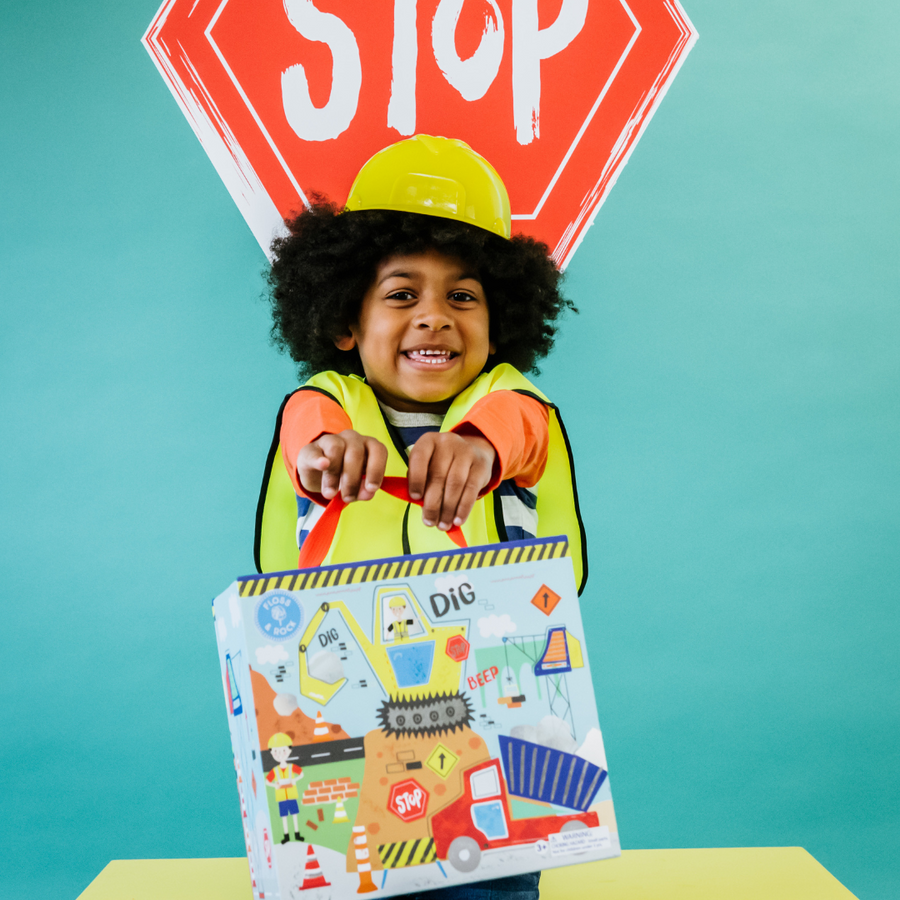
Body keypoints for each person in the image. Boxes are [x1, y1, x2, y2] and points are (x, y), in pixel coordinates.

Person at [258, 135, 588, 900]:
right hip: (340, 722)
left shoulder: (512, 401)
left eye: (462, 298)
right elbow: (307, 429)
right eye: (402, 295)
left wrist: (477, 447)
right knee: (340, 877)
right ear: (346, 321)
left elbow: (520, 426)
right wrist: (326, 455)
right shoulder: (327, 403)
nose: (434, 318)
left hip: (491, 730)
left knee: (491, 887)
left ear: (499, 322)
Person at [264, 733, 304, 844]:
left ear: (289, 751)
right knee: (284, 817)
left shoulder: (291, 767)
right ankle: (286, 835)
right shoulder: (275, 770)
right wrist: (275, 785)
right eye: (276, 752)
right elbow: (267, 781)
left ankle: (297, 833)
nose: (280, 754)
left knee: (294, 815)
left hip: (292, 795)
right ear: (272, 753)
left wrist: (295, 780)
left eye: (283, 751)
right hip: (281, 797)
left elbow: (301, 774)